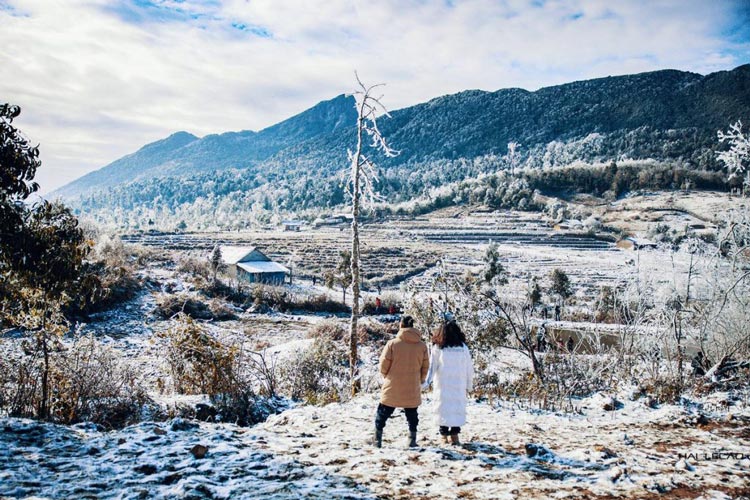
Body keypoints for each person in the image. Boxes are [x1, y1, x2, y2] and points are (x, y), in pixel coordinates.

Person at [374, 315, 429, 448]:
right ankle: (412, 439)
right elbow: (425, 366)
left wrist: (385, 375)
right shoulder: (422, 346)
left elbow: (383, 364)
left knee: (383, 412)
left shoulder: (392, 344)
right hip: (412, 385)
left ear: (401, 326)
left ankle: (377, 439)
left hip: (393, 384)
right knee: (412, 414)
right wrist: (420, 380)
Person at [422, 320, 474, 446]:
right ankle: (454, 435)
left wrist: (425, 383)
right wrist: (469, 385)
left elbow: (432, 367)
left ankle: (444, 435)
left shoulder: (438, 348)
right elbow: (469, 368)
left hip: (443, 384)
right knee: (457, 409)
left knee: (443, 409)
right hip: (458, 384)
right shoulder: (463, 347)